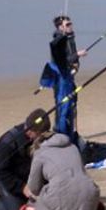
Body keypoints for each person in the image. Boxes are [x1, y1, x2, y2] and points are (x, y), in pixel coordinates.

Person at [24, 130, 102, 210]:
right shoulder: (73, 147)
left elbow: (34, 188)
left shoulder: (40, 153)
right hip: (87, 204)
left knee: (37, 201)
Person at [0, 108, 51, 210]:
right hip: (6, 177)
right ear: (30, 132)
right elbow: (1, 172)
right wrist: (22, 187)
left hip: (28, 173)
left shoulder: (41, 136)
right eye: (40, 135)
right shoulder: (8, 143)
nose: (42, 139)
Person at [39, 15, 87, 144]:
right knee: (62, 107)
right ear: (60, 27)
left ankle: (74, 132)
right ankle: (61, 133)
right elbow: (61, 61)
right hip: (61, 81)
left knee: (73, 104)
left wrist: (76, 66)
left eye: (71, 24)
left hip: (69, 78)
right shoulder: (58, 41)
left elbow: (72, 60)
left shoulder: (70, 38)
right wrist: (77, 54)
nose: (70, 26)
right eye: (67, 25)